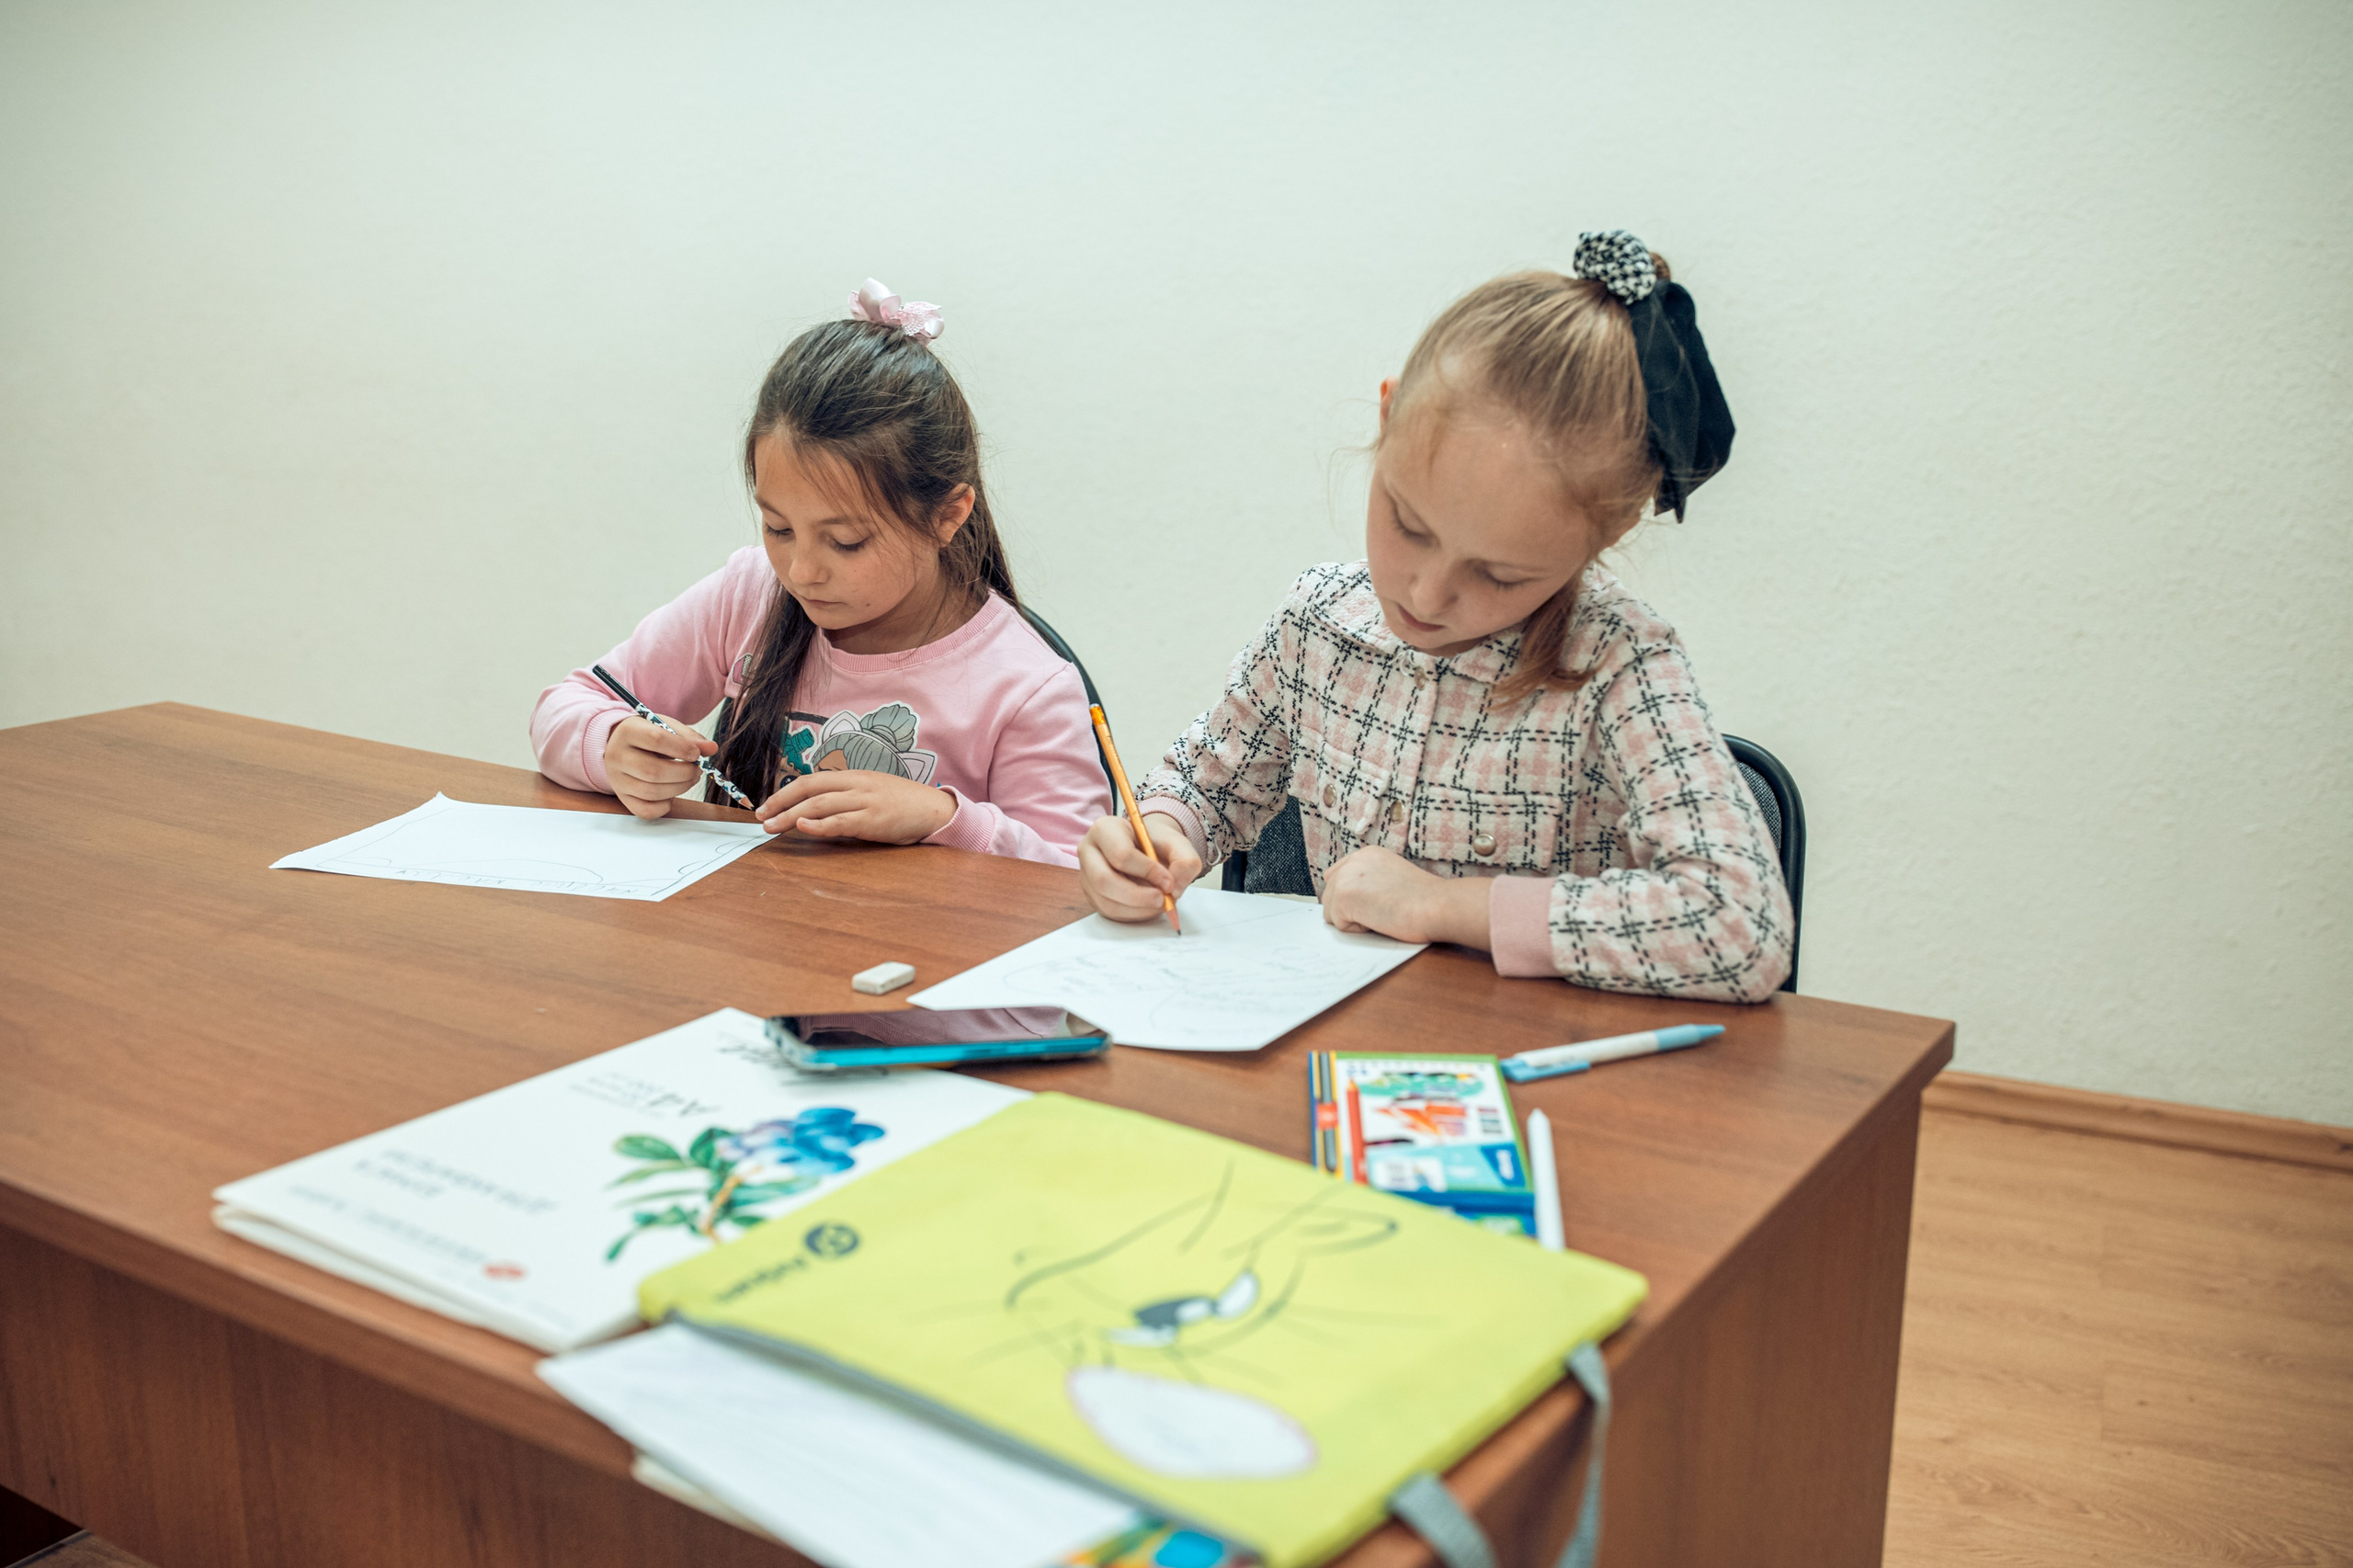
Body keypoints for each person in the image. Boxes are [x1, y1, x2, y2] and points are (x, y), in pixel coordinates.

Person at [1078, 233, 1793, 1001]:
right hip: (1329, 1050)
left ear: (1606, 533)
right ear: (1387, 421)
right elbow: (1207, 786)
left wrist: (1446, 906)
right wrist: (1156, 836)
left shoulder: (1618, 664)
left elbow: (1740, 925)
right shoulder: (1318, 622)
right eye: (1408, 525)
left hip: (1535, 1078)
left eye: (1498, 574)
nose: (1424, 595)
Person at [533, 280, 1105, 868]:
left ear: (946, 515)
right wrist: (611, 747)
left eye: (847, 542)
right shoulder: (749, 592)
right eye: (778, 529)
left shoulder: (1027, 688)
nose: (801, 572)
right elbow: (568, 703)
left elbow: (1073, 883)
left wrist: (945, 819)